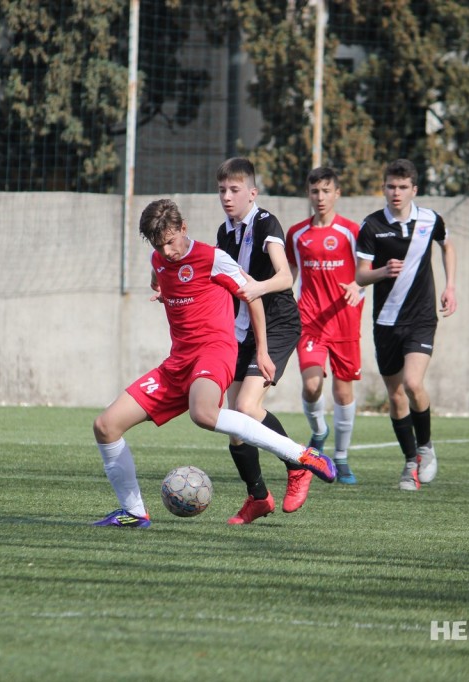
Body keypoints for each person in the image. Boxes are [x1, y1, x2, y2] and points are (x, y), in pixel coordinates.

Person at [91, 199, 336, 529]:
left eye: (171, 242)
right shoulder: (159, 259)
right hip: (177, 362)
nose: (167, 251)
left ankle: (302, 455)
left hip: (214, 351)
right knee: (105, 426)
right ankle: (133, 513)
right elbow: (159, 274)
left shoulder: (213, 258)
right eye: (158, 245)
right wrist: (162, 290)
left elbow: (251, 295)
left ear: (183, 228)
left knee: (203, 413)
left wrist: (262, 351)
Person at [214, 158, 307, 524]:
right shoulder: (224, 233)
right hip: (243, 331)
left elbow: (285, 277)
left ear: (252, 193)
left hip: (279, 324)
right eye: (222, 190)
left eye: (234, 190)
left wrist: (257, 287)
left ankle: (297, 464)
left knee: (246, 407)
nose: (227, 196)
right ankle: (258, 497)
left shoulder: (265, 222)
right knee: (234, 425)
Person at [355, 159, 457, 491]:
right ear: (383, 188)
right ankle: (410, 461)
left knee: (413, 383)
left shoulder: (430, 220)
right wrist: (383, 271)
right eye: (390, 186)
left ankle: (425, 448)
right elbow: (360, 276)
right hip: (386, 321)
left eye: (402, 187)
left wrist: (450, 286)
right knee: (396, 395)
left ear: (414, 189)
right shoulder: (371, 225)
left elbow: (447, 245)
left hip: (421, 318)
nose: (396, 192)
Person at [285, 167, 365, 485]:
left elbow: (366, 271)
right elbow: (289, 274)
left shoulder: (351, 231)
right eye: (315, 191)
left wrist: (358, 286)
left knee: (343, 393)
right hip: (309, 322)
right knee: (311, 385)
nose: (320, 197)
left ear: (337, 194)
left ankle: (341, 457)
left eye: (326, 191)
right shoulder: (297, 234)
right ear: (308, 194)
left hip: (345, 321)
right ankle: (319, 431)